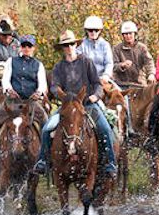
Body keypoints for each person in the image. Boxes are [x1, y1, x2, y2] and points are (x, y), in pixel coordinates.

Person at [32, 30, 117, 179]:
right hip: (67, 106)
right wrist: (60, 93)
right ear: (63, 48)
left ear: (75, 45)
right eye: (66, 45)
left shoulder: (86, 62)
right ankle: (43, 161)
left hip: (87, 104)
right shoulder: (59, 67)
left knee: (105, 128)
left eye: (71, 44)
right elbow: (54, 86)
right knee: (47, 128)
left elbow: (97, 84)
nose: (69, 47)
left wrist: (95, 96)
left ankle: (110, 163)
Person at [0, 34, 49, 162]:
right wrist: (9, 89)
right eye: (24, 45)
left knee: (45, 122)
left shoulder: (39, 65)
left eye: (29, 46)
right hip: (12, 102)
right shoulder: (11, 61)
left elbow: (42, 84)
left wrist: (39, 92)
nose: (26, 48)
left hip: (31, 103)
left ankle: (47, 156)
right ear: (20, 47)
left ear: (33, 48)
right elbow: (5, 79)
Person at [112, 21, 156, 90]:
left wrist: (151, 74)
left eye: (130, 33)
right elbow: (113, 66)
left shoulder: (142, 48)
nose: (128, 36)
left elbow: (149, 62)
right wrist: (122, 65)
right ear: (123, 35)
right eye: (126, 34)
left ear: (134, 34)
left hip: (139, 84)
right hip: (121, 84)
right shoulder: (117, 49)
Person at [77, 15, 113, 82]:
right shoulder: (81, 45)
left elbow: (109, 63)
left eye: (96, 30)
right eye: (90, 30)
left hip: (103, 79)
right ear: (86, 31)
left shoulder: (105, 45)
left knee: (118, 92)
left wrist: (106, 75)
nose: (93, 32)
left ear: (100, 31)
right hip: (85, 79)